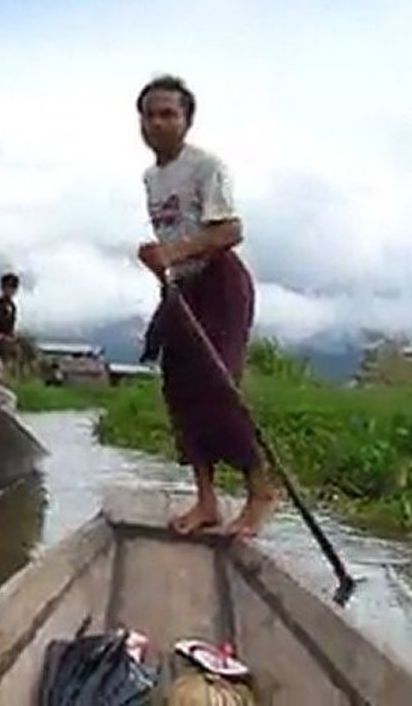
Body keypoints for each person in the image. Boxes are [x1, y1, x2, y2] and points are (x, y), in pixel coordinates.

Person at [134, 74, 277, 540]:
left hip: (221, 284)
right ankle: (207, 501)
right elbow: (173, 238)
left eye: (168, 114)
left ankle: (260, 492)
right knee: (180, 392)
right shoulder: (151, 178)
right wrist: (164, 264)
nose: (157, 122)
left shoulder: (205, 166)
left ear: (186, 121)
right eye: (149, 114)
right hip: (182, 288)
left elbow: (230, 230)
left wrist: (171, 253)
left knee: (218, 387)